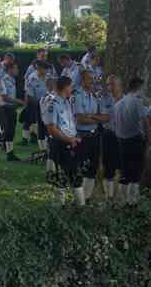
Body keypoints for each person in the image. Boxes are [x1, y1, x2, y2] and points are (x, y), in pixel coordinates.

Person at [46, 75, 87, 205]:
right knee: (60, 178)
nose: (72, 89)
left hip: (71, 143)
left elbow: (69, 124)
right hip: (60, 145)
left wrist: (75, 137)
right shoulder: (53, 104)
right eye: (71, 86)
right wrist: (69, 139)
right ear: (65, 87)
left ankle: (81, 206)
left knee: (76, 176)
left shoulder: (67, 102)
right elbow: (52, 129)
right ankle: (59, 208)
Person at [72, 69, 107, 203]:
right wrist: (98, 119)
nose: (92, 81)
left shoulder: (94, 95)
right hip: (82, 135)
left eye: (93, 79)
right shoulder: (78, 95)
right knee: (80, 167)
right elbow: (81, 119)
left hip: (94, 135)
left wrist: (91, 117)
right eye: (89, 79)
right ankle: (78, 200)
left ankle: (87, 198)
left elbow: (106, 117)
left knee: (93, 167)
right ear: (82, 80)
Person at [111, 77, 147, 205]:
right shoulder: (137, 102)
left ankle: (122, 199)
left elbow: (114, 124)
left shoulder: (118, 104)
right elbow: (145, 120)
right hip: (135, 139)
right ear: (139, 88)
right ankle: (133, 199)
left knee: (124, 170)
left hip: (121, 140)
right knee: (136, 169)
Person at [101, 75, 124, 201]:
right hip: (108, 135)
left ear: (120, 85)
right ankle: (109, 197)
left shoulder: (127, 100)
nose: (109, 87)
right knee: (108, 166)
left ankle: (120, 196)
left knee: (122, 167)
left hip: (123, 136)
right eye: (108, 84)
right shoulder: (104, 100)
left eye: (112, 84)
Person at [0, 60, 24, 161]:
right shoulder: (4, 80)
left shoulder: (12, 79)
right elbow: (4, 97)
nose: (17, 70)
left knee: (11, 131)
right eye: (15, 68)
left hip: (11, 108)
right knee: (7, 130)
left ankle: (9, 153)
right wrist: (19, 101)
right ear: (10, 69)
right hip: (4, 108)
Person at [25, 61, 50, 150]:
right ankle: (42, 149)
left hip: (50, 104)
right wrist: (41, 104)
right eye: (44, 69)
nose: (46, 71)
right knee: (41, 126)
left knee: (49, 125)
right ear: (39, 68)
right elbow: (30, 95)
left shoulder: (48, 76)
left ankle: (48, 147)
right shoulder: (32, 78)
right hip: (38, 105)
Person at [38, 76, 59, 175]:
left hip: (47, 124)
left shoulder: (43, 97)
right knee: (53, 149)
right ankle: (51, 171)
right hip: (53, 125)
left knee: (51, 148)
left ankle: (51, 170)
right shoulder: (51, 98)